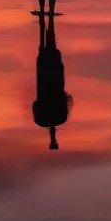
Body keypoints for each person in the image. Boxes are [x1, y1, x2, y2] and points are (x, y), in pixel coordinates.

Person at [32, 13, 73, 150]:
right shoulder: (47, 119)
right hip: (48, 77)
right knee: (46, 45)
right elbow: (35, 104)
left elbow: (35, 103)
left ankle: (45, 19)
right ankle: (46, 19)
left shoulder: (49, 119)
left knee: (46, 46)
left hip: (47, 78)